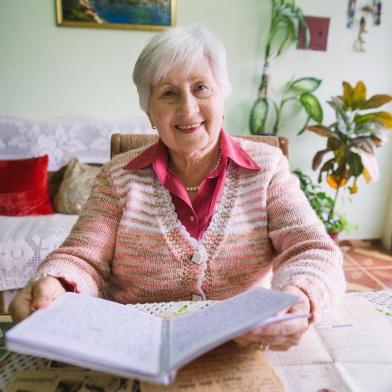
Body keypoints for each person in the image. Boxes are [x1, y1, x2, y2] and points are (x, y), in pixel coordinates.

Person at [9, 25, 345, 351]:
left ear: (222, 96)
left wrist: (301, 296)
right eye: (168, 93)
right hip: (133, 349)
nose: (187, 108)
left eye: (201, 88)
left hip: (240, 347)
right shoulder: (117, 177)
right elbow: (81, 259)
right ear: (150, 112)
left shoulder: (268, 168)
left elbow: (312, 250)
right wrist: (55, 284)